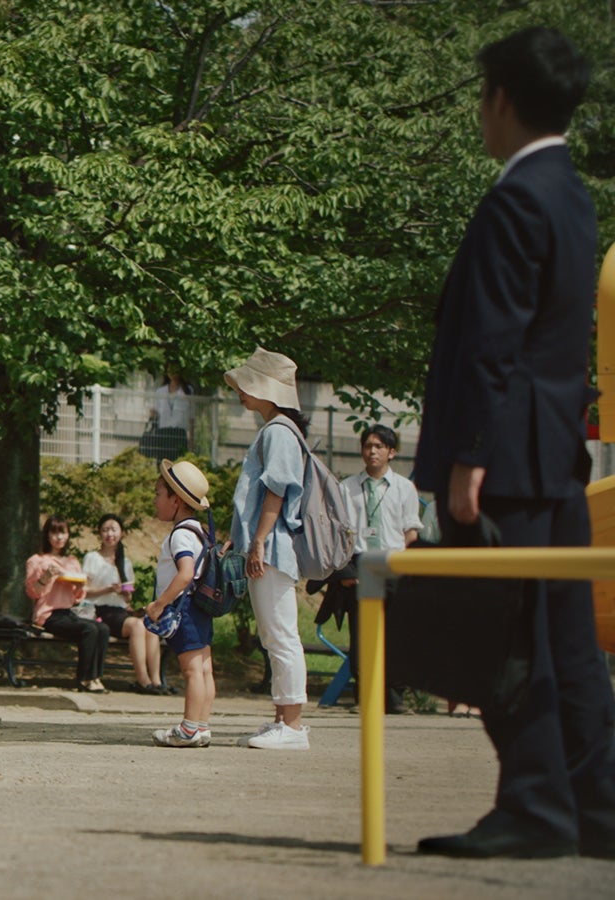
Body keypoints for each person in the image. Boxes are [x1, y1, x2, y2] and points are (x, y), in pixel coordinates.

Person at [411, 27, 615, 860]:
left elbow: (494, 340)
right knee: (566, 639)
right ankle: (596, 804)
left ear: (500, 98)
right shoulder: (574, 195)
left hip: (501, 460)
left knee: (501, 634)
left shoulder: (515, 198)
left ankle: (534, 802)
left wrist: (469, 457)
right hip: (555, 457)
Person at [224, 346, 311, 750]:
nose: (241, 391)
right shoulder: (278, 429)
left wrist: (257, 540)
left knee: (280, 634)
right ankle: (282, 719)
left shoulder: (277, 431)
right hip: (270, 544)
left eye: (248, 384)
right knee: (275, 634)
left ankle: (292, 726)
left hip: (272, 545)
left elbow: (276, 490)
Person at [312, 424, 421, 713]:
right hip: (360, 565)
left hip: (393, 562)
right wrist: (347, 574)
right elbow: (336, 534)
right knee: (362, 634)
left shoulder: (404, 488)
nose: (372, 452)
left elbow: (410, 532)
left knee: (397, 632)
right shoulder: (347, 487)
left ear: (391, 452)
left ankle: (395, 697)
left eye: (379, 446)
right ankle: (366, 696)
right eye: (368, 446)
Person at [143, 460, 215, 747]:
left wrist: (159, 604)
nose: (155, 500)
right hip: (200, 609)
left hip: (184, 610)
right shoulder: (199, 531)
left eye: (159, 494)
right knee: (204, 668)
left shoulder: (182, 534)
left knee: (191, 671)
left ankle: (187, 729)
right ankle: (201, 726)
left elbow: (185, 573)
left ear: (176, 500)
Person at [80, 513, 165, 694]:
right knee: (136, 625)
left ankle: (157, 681)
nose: (109, 534)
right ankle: (143, 680)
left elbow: (128, 599)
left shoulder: (124, 562)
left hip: (120, 611)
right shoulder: (92, 558)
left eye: (113, 530)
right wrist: (108, 590)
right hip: (99, 611)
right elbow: (83, 592)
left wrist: (124, 594)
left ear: (121, 533)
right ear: (99, 534)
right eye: (105, 530)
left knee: (149, 626)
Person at [24, 515, 109, 693]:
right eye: (54, 533)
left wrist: (79, 587)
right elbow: (32, 592)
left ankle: (95, 677)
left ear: (68, 535)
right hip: (47, 614)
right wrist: (45, 577)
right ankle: (84, 679)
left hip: (68, 613)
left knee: (103, 629)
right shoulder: (37, 561)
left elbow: (77, 598)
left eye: (63, 533)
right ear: (47, 535)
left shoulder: (72, 562)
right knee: (90, 629)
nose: (59, 538)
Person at [145, 367, 194, 458]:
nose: (172, 374)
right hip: (163, 431)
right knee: (162, 463)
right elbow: (156, 411)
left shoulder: (187, 391)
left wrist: (191, 439)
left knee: (177, 464)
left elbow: (191, 416)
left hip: (179, 432)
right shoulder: (161, 391)